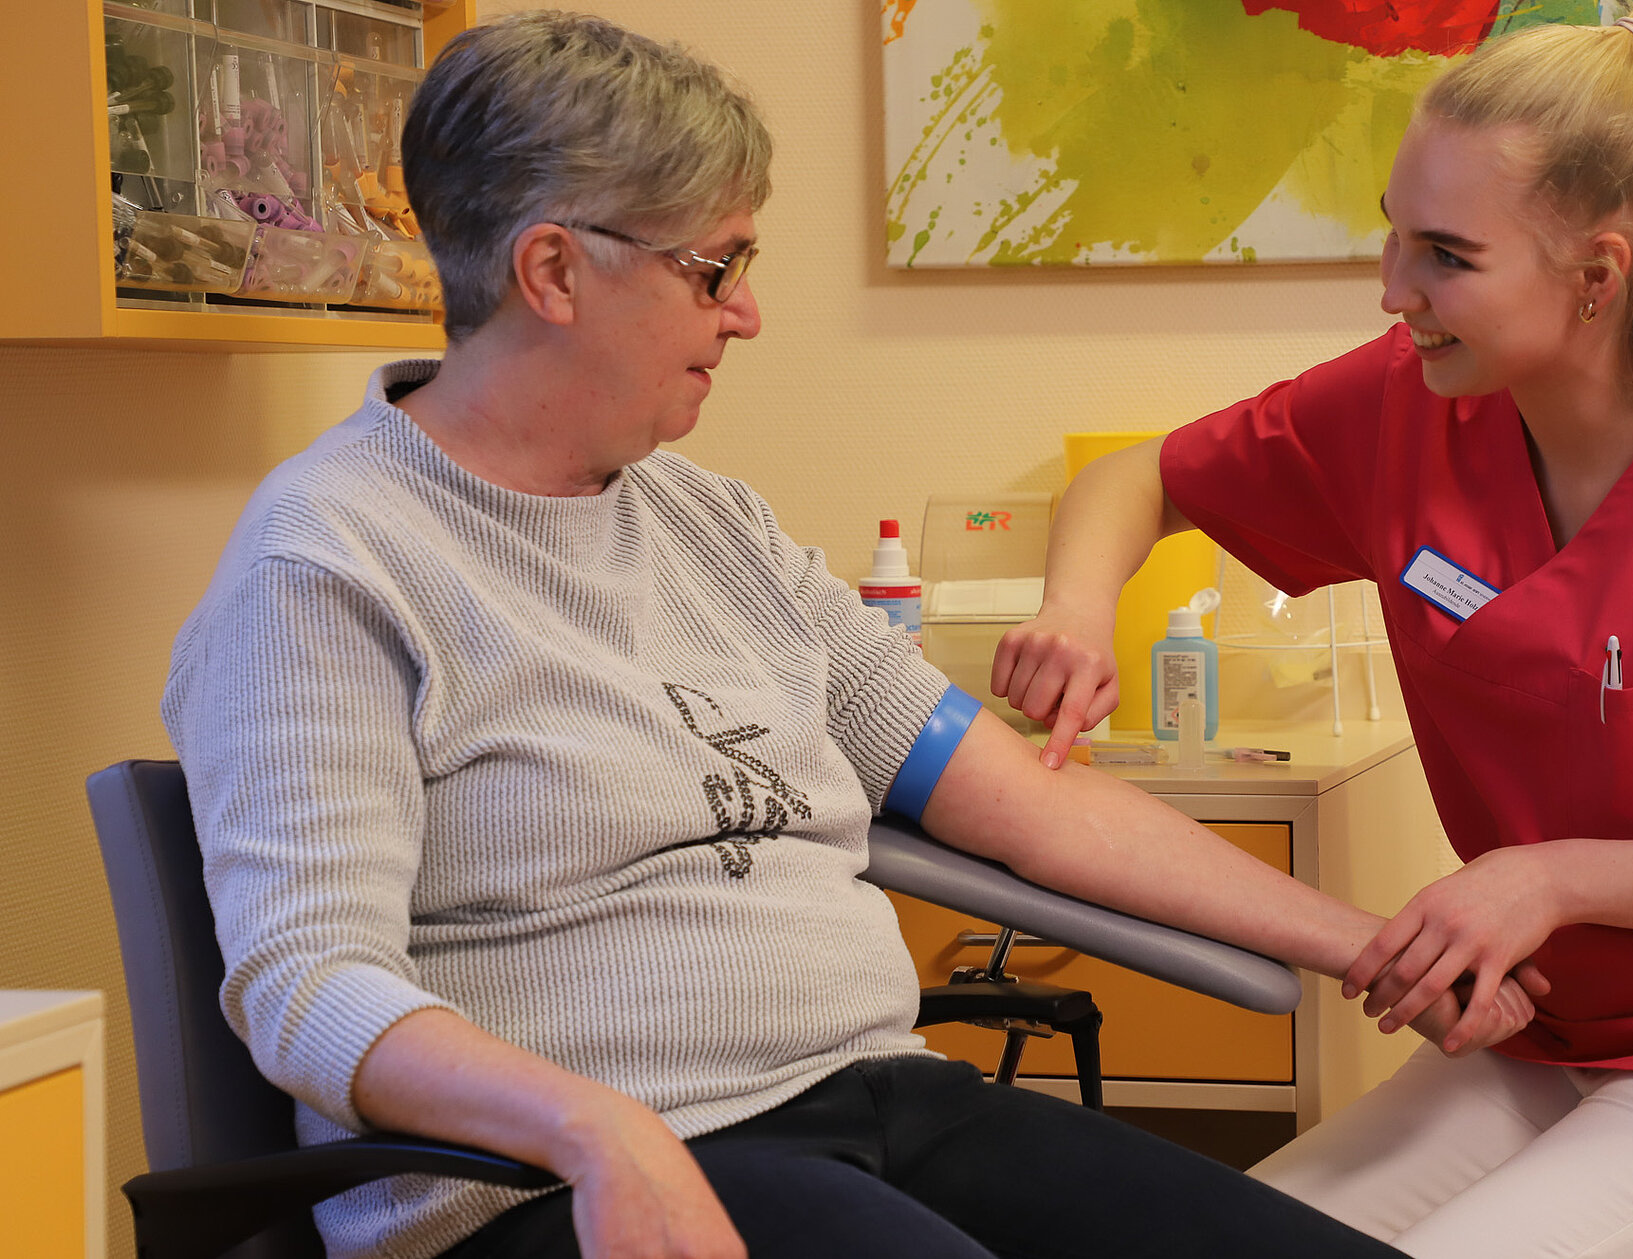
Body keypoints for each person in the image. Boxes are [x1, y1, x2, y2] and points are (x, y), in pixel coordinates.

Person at [161, 13, 1540, 1259]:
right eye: (717, 267)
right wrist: (598, 1127)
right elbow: (304, 983)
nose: (747, 312)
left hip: (875, 1100)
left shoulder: (716, 527)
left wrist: (1377, 945)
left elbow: (1023, 807)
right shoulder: (330, 563)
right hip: (559, 1184)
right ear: (553, 271)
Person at [991, 4, 1633, 1257]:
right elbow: (1139, 477)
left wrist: (1548, 875)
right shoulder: (1413, 408)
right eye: (1392, 237)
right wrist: (1076, 609)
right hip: (1542, 1029)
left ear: (1597, 273)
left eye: (1445, 255)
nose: (1392, 290)